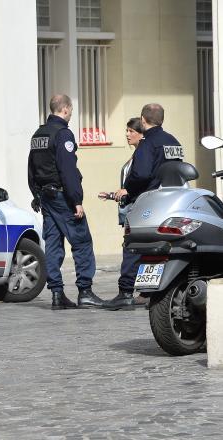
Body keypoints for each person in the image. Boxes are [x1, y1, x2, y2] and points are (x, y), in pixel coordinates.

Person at [102, 104, 183, 309]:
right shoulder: (174, 142)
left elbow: (142, 174)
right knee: (160, 247)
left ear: (143, 120)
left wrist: (127, 189)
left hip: (148, 202)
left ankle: (125, 292)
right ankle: (150, 292)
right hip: (172, 203)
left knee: (134, 244)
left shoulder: (148, 143)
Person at [28, 94, 103, 310]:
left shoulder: (38, 134)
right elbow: (68, 170)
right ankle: (85, 292)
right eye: (71, 110)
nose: (71, 114)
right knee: (82, 242)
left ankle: (57, 294)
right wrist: (76, 200)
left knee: (53, 244)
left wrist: (36, 194)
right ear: (66, 109)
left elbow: (31, 168)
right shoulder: (63, 134)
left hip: (46, 197)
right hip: (63, 197)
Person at [98, 117, 147, 309]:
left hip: (138, 211)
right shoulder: (136, 156)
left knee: (132, 249)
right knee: (137, 250)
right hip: (130, 210)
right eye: (126, 130)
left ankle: (127, 292)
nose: (127, 134)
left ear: (141, 134)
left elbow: (140, 184)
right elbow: (130, 188)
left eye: (131, 131)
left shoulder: (143, 156)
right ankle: (144, 292)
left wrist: (126, 193)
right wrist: (112, 195)